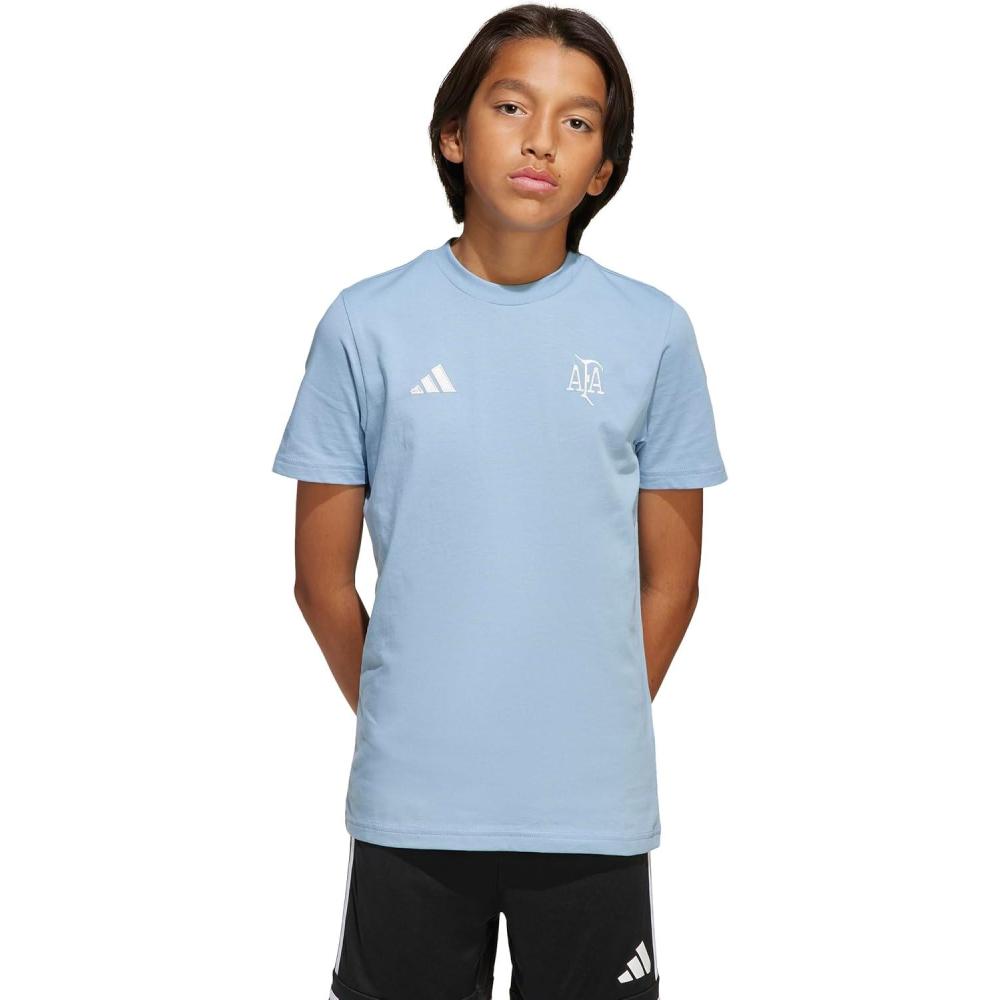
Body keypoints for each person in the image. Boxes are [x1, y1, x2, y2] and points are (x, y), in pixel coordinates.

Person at [271, 6, 728, 999]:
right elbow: (319, 582)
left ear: (603, 169)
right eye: (512, 106)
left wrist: (580, 723)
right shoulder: (365, 325)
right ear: (452, 133)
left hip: (591, 811)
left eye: (578, 121)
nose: (540, 140)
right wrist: (415, 719)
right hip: (411, 806)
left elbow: (675, 582)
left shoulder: (653, 332)